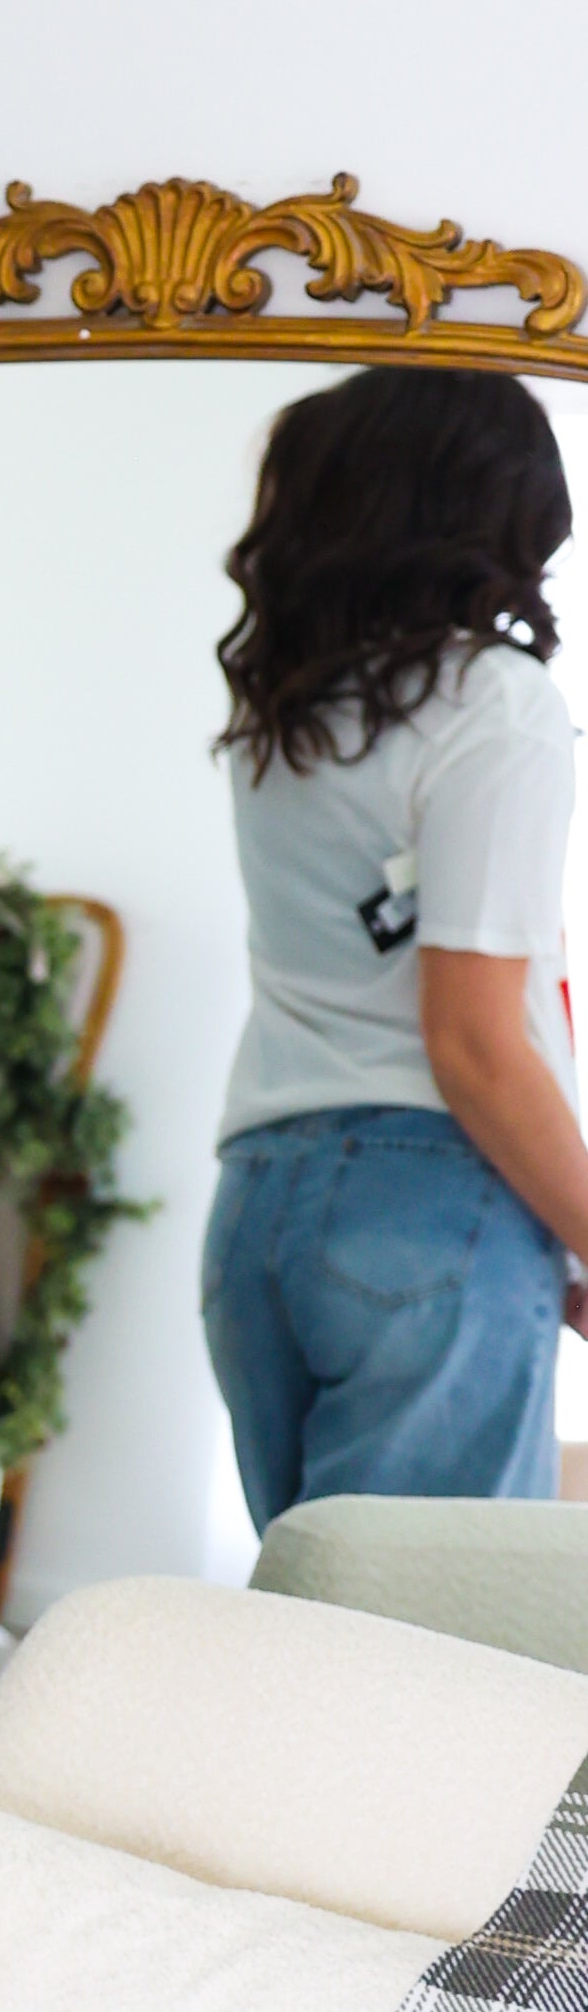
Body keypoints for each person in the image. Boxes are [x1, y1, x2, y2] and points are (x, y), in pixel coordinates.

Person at [205, 363, 588, 1526]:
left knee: (310, 1613)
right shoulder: (495, 703)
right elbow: (473, 1047)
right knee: (418, 1629)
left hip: (260, 1203)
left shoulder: (286, 716)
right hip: (427, 1207)